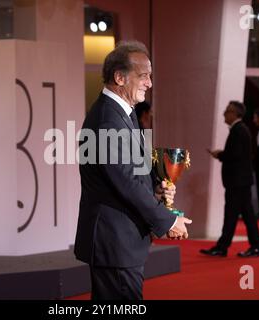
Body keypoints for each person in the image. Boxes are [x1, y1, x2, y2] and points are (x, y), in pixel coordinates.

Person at [74, 40, 192, 300]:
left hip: (121, 240)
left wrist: (157, 188)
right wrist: (167, 219)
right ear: (119, 77)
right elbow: (125, 182)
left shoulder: (123, 113)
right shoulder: (108, 118)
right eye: (144, 76)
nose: (149, 83)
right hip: (114, 241)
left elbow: (132, 169)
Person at [200, 101, 259, 258]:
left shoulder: (238, 130)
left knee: (234, 215)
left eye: (227, 111)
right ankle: (248, 246)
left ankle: (226, 246)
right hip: (240, 181)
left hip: (237, 182)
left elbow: (235, 155)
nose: (224, 113)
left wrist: (220, 154)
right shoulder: (240, 130)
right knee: (242, 215)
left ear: (236, 114)